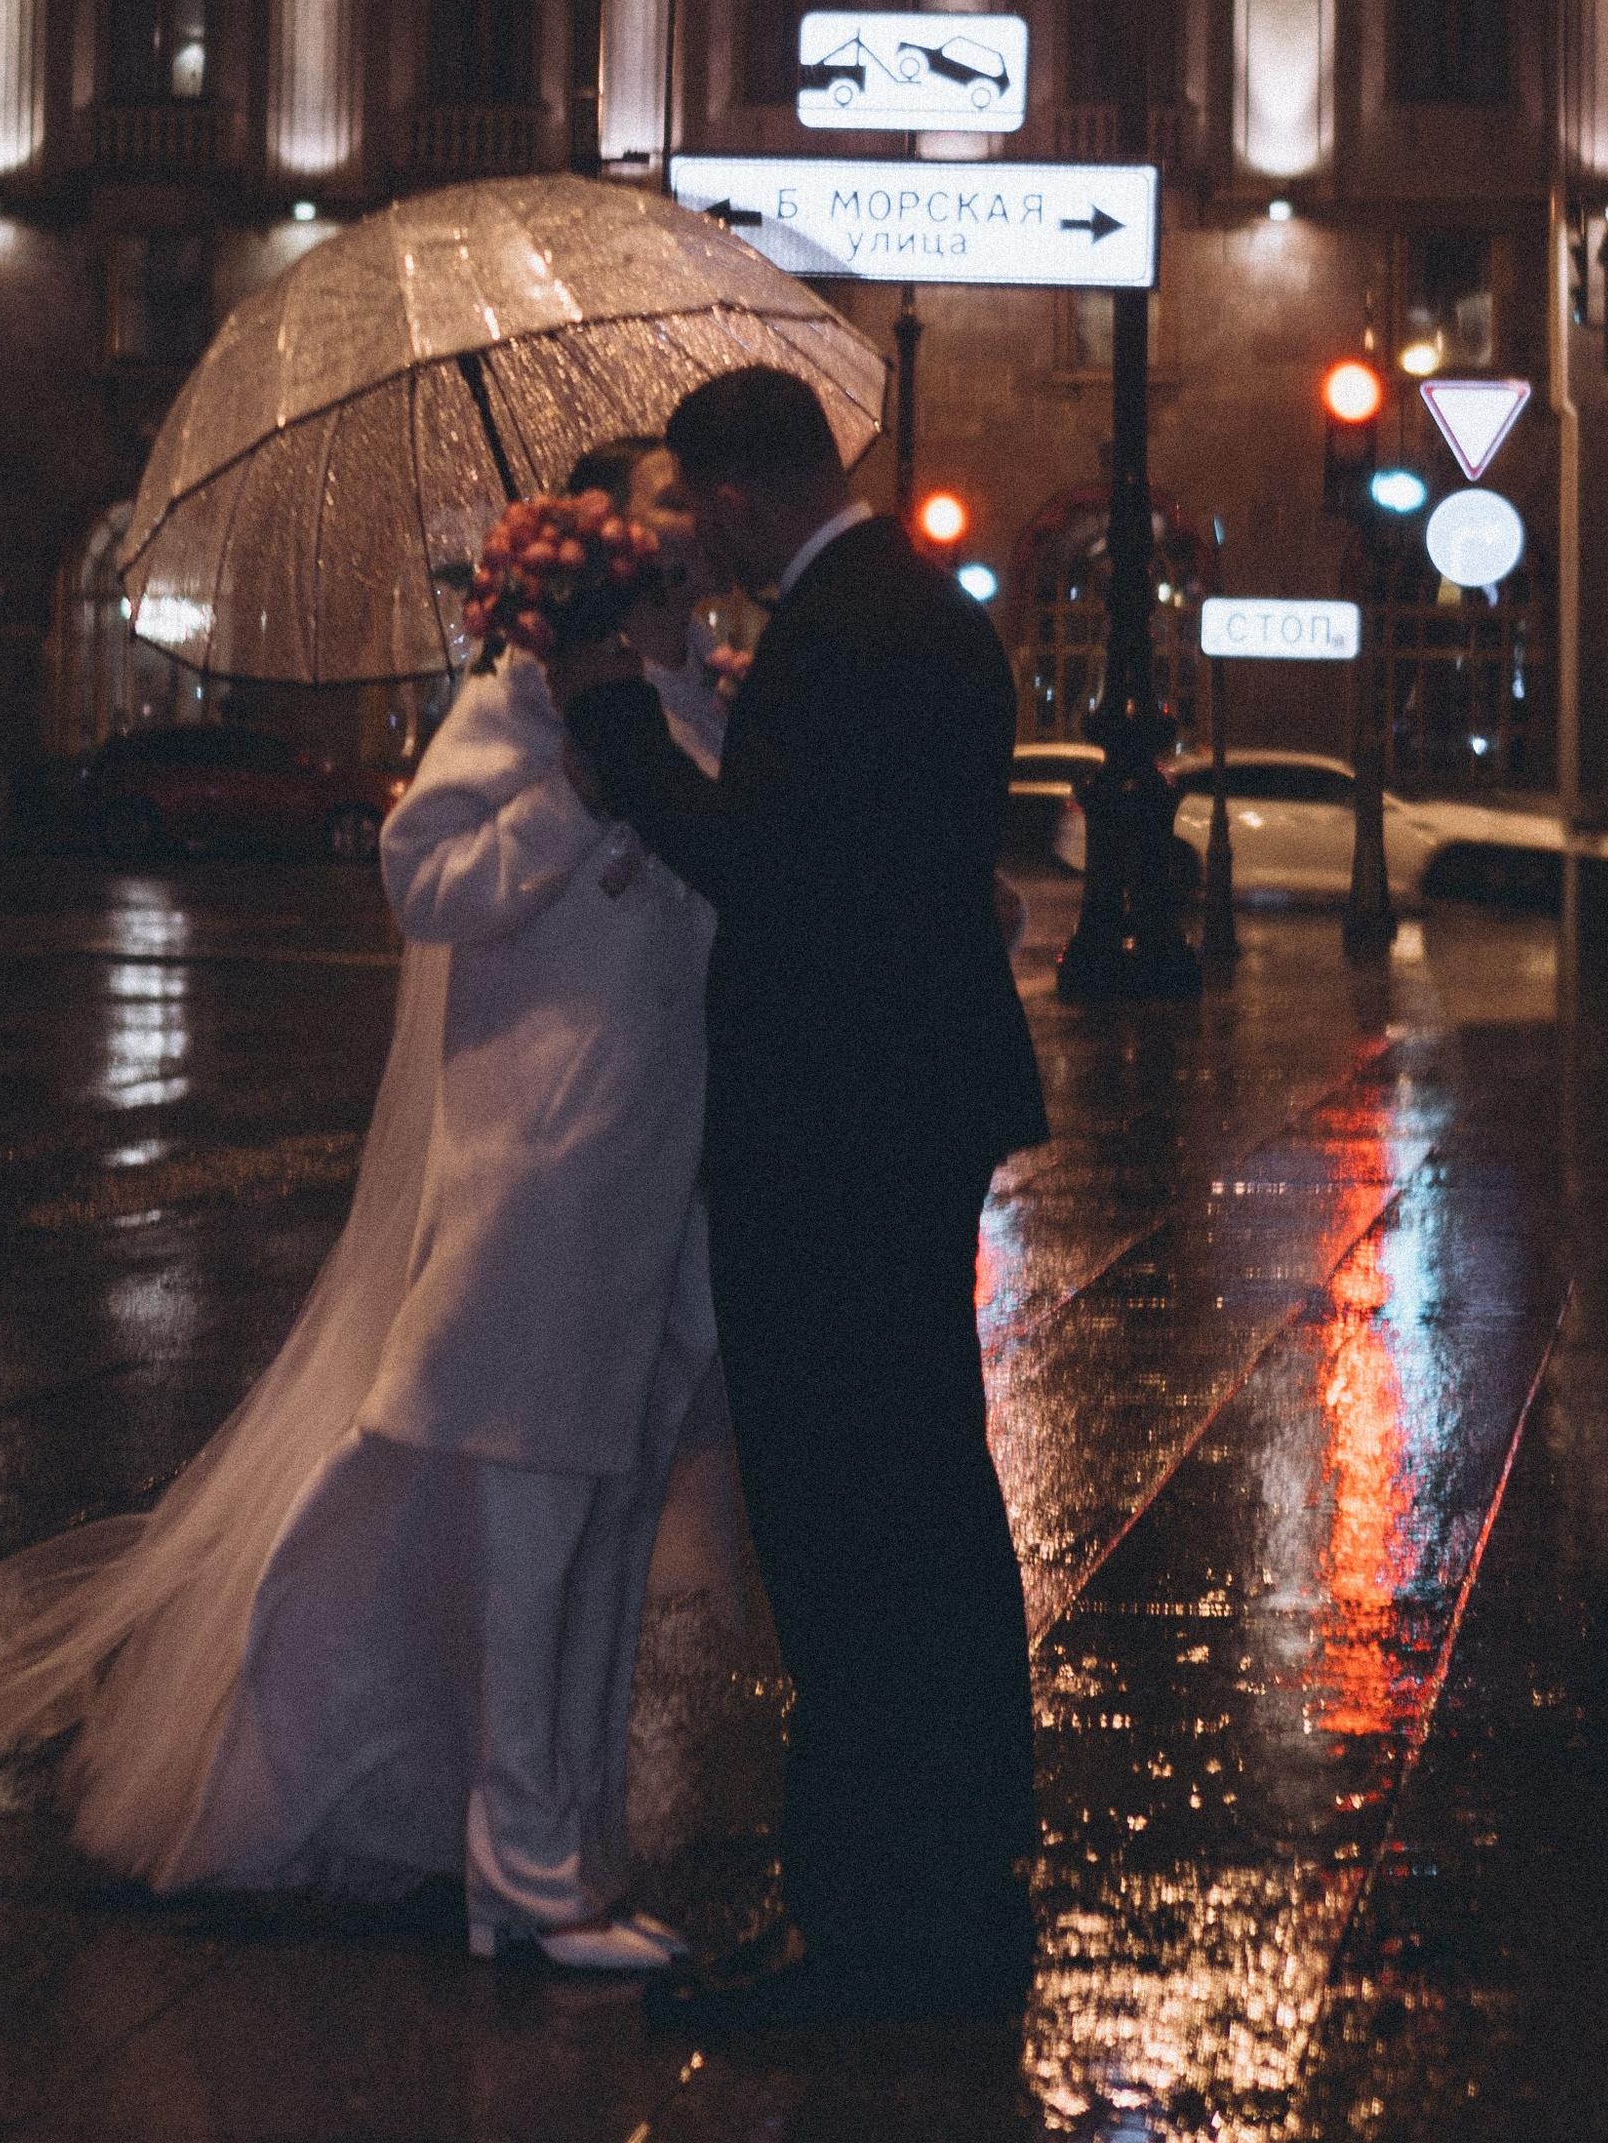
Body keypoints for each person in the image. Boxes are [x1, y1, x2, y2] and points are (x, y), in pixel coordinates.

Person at [0, 440, 729, 1971]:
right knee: (533, 1537)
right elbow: (426, 882)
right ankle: (525, 1875)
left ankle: (565, 1844)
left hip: (658, 1186)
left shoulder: (702, 710)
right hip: (542, 1185)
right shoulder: (524, 712)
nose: (692, 542)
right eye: (663, 514)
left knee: (603, 1536)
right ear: (610, 557)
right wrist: (572, 799)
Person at [557, 363, 1049, 2032]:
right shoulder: (913, 605)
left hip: (838, 1128)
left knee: (845, 1533)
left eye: (701, 509)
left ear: (746, 498)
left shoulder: (846, 632)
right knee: (925, 1500)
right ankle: (962, 1867)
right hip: (907, 1110)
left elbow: (758, 858)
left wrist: (614, 710)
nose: (698, 537)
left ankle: (867, 1932)